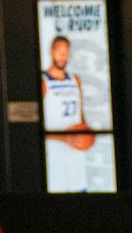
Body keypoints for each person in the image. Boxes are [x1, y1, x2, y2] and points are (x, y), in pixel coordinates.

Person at [41, 35, 97, 193]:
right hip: (54, 155)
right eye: (59, 51)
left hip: (76, 156)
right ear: (51, 52)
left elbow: (81, 115)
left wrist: (87, 134)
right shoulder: (43, 81)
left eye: (65, 52)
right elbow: (35, 130)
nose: (62, 56)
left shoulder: (75, 80)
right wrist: (64, 138)